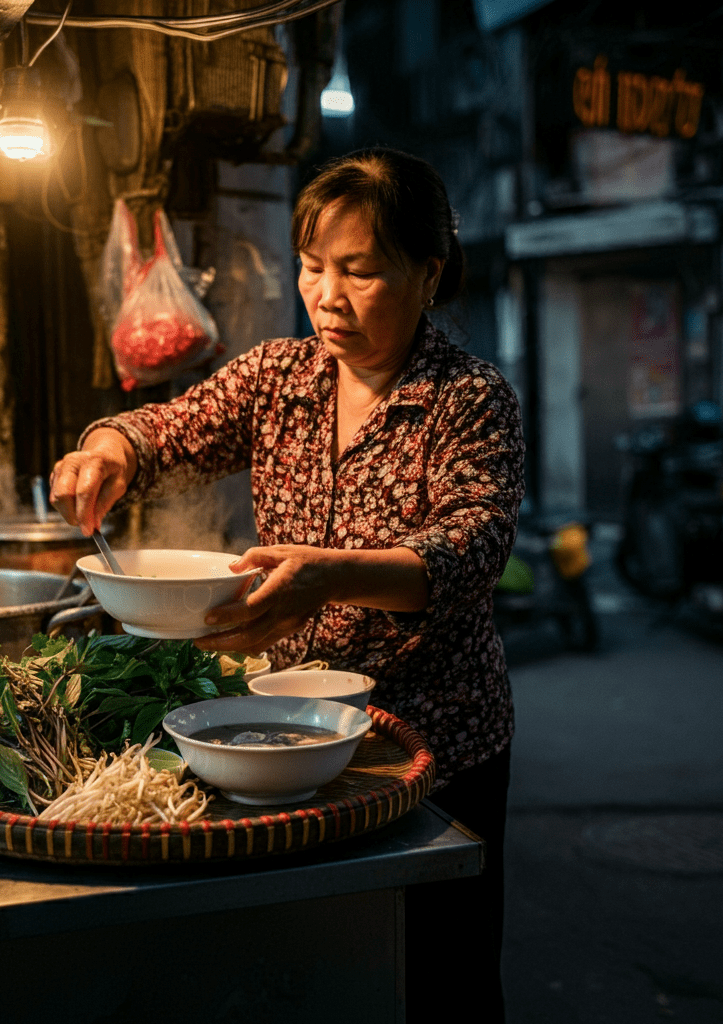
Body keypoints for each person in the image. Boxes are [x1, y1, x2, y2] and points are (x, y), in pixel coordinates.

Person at [50, 147, 525, 1020]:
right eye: (313, 268)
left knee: (439, 978)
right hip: (295, 738)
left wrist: (326, 579)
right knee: (321, 969)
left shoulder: (470, 400)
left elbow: (471, 548)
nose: (327, 297)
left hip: (435, 746)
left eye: (360, 271)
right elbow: (173, 429)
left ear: (429, 272)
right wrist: (109, 448)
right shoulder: (278, 377)